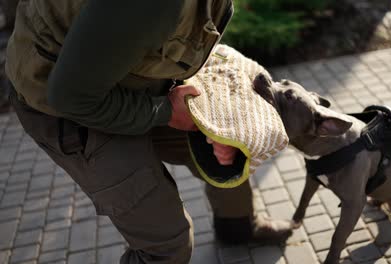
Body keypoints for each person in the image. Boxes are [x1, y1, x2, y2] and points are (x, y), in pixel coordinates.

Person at [5, 1, 293, 263]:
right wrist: (168, 112)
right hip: (71, 107)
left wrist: (221, 120)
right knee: (168, 244)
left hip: (137, 79)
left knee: (227, 148)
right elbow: (71, 98)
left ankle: (237, 229)